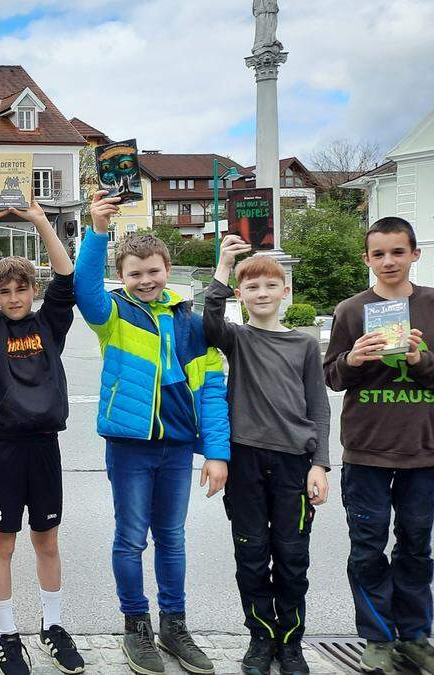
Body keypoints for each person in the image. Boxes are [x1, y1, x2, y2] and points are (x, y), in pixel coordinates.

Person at [75, 192, 229, 675]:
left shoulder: (192, 322)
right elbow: (83, 288)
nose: (145, 280)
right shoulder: (113, 315)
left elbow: (212, 391)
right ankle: (136, 624)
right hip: (130, 446)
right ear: (122, 277)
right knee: (130, 538)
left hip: (179, 446)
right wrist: (97, 230)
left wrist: (217, 453)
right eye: (135, 273)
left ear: (168, 270)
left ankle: (174, 625)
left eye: (153, 271)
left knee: (173, 538)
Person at [0, 189, 84, 675]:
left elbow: (66, 278)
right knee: (2, 542)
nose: (13, 298)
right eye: (5, 291)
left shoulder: (50, 323)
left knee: (46, 540)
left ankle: (53, 626)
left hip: (44, 448)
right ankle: (7, 634)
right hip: (4, 449)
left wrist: (38, 219)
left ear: (32, 291)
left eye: (21, 290)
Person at [203, 235, 330, 675]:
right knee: (252, 553)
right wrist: (223, 265)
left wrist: (320, 464)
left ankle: (290, 642)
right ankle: (260, 637)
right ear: (242, 295)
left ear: (284, 292)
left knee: (293, 556)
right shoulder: (236, 339)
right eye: (252, 288)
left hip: (295, 464)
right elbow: (210, 324)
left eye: (269, 287)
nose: (261, 294)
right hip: (246, 462)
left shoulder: (304, 346)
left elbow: (319, 407)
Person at [324, 217, 434, 675]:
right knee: (367, 549)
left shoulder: (432, 305)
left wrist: (419, 359)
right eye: (379, 254)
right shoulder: (351, 310)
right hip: (366, 450)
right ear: (366, 259)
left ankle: (415, 636)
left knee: (415, 548)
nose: (388, 261)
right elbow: (331, 375)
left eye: (397, 252)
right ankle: (377, 638)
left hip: (422, 451)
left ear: (414, 254)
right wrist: (354, 358)